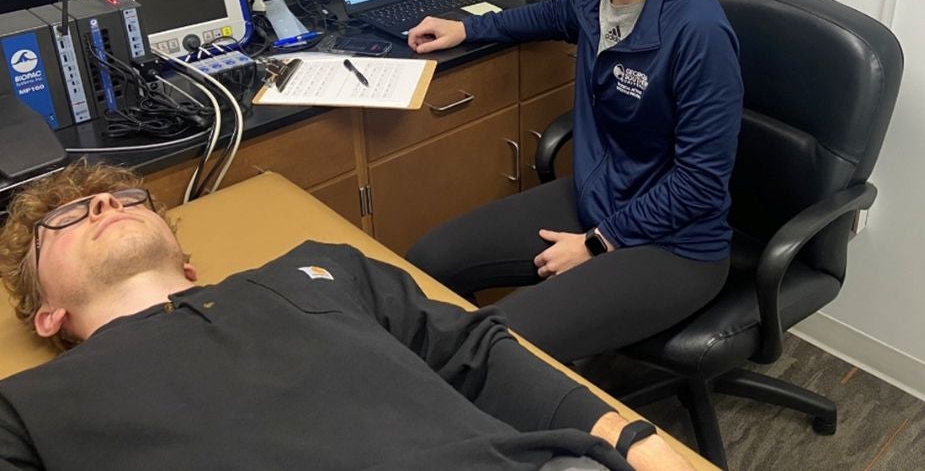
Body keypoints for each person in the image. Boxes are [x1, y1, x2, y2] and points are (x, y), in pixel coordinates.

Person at [0, 162, 694, 471]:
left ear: (186, 262)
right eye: (65, 219)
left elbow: (475, 353)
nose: (104, 205)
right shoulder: (27, 411)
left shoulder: (319, 269)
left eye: (129, 200)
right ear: (46, 313)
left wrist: (634, 439)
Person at [403, 0, 743, 364]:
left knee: (495, 350)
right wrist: (467, 28)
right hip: (600, 196)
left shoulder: (698, 31)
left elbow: (700, 184)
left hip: (676, 245)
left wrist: (597, 243)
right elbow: (554, 16)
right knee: (428, 261)